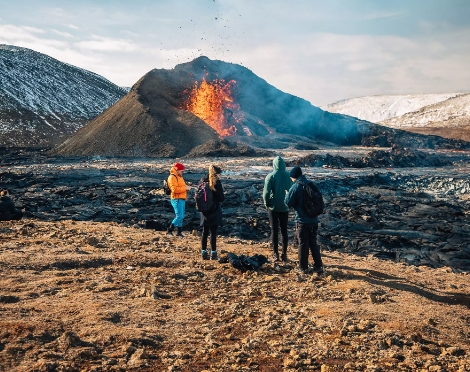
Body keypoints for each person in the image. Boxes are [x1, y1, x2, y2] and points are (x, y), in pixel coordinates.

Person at [285, 166, 324, 275]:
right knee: (313, 243)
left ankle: (303, 268)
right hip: (314, 219)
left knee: (302, 243)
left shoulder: (296, 187)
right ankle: (318, 266)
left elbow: (288, 203)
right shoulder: (311, 184)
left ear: (294, 177)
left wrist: (287, 194)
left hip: (302, 221)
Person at [262, 156, 292, 262]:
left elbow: (266, 193)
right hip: (285, 207)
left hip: (273, 207)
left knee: (274, 230)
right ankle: (284, 254)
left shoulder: (270, 176)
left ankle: (275, 254)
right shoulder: (289, 176)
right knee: (284, 231)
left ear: (273, 164)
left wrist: (266, 203)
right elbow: (292, 190)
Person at [199, 165, 225, 260]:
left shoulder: (203, 180)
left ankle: (203, 252)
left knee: (204, 232)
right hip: (214, 210)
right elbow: (221, 198)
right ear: (217, 173)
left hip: (204, 211)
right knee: (213, 232)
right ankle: (213, 253)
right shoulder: (216, 182)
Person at [166, 162, 191, 237]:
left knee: (181, 216)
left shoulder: (179, 177)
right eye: (182, 171)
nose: (183, 172)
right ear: (177, 170)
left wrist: (186, 189)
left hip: (181, 199)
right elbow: (174, 190)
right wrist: (185, 188)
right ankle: (169, 230)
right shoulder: (172, 177)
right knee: (179, 216)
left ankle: (179, 232)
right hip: (176, 199)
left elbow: (181, 187)